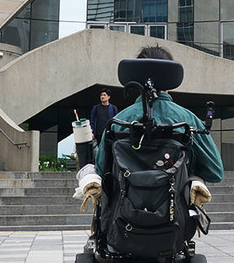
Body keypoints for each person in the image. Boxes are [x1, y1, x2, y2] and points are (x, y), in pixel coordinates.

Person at [94, 46, 223, 184]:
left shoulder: (118, 121)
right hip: (174, 201)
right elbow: (215, 172)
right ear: (170, 78)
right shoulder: (189, 120)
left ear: (136, 78)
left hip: (126, 201)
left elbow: (101, 169)